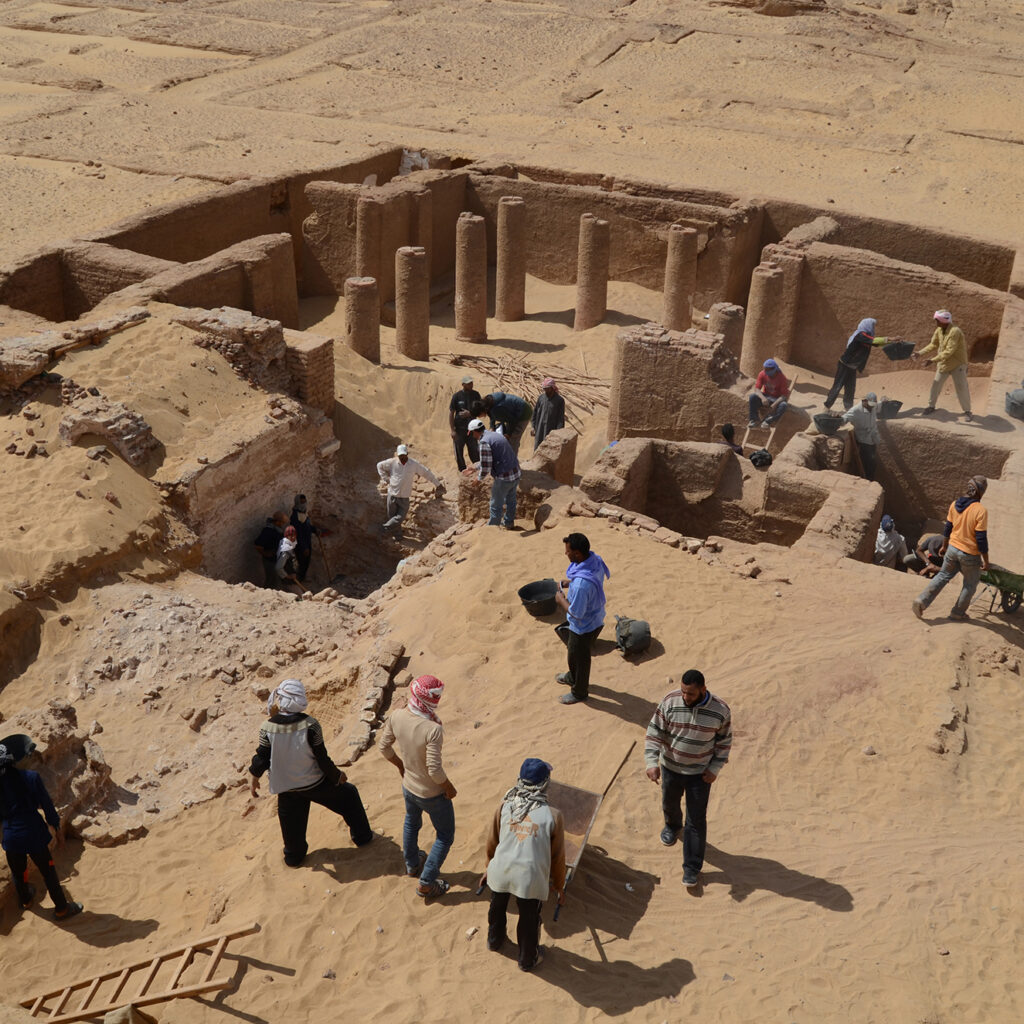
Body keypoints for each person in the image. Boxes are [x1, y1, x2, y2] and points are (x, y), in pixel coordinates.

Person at [248, 679, 373, 867]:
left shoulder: (267, 728)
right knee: (349, 796)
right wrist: (337, 775)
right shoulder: (311, 725)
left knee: (291, 827)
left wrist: (254, 776)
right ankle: (363, 838)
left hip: (286, 788)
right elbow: (321, 758)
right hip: (315, 783)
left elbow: (262, 757)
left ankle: (293, 857)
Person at [644, 669, 732, 888]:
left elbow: (724, 743)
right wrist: (651, 762)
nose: (685, 697)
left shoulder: (720, 711)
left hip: (699, 775)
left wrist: (715, 768)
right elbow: (654, 732)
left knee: (696, 820)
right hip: (670, 768)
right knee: (670, 803)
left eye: (690, 694)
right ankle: (672, 826)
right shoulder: (670, 701)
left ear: (703, 689)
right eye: (683, 692)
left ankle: (692, 868)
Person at [480, 758, 566, 973]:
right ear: (544, 784)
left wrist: (488, 869)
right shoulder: (553, 815)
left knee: (497, 906)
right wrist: (559, 884)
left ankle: (494, 940)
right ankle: (528, 959)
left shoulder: (505, 805)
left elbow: (493, 841)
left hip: (500, 870)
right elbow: (557, 857)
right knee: (529, 918)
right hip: (529, 878)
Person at [377, 676, 456, 899]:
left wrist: (401, 766)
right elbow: (435, 771)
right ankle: (427, 882)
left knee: (411, 822)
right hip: (432, 793)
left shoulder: (397, 716)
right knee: (445, 835)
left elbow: (384, 748)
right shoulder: (433, 729)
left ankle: (412, 864)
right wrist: (449, 787)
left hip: (408, 787)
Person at [1, 740, 83, 920]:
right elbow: (47, 806)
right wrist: (58, 830)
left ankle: (25, 900)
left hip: (11, 836)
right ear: (12, 760)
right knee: (48, 872)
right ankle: (62, 909)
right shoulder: (31, 777)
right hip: (34, 834)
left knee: (18, 871)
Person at [912, 475, 990, 621]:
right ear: (981, 492)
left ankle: (921, 601)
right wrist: (986, 561)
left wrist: (944, 546)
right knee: (970, 584)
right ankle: (957, 613)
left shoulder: (955, 504)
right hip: (969, 554)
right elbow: (981, 539)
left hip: (952, 549)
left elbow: (948, 528)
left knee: (942, 576)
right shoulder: (980, 511)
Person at [554, 533, 611, 706]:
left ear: (577, 553)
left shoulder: (580, 585)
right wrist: (570, 582)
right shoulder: (595, 559)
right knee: (574, 654)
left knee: (580, 658)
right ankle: (572, 677)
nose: (566, 554)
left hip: (583, 626)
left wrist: (560, 599)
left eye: (568, 551)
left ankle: (579, 692)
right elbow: (588, 578)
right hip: (596, 619)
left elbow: (575, 613)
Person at [823, 318, 895, 411]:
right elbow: (874, 341)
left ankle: (848, 409)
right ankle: (826, 407)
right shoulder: (861, 335)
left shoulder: (867, 338)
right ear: (867, 325)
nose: (873, 328)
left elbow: (877, 343)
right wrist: (890, 338)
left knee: (850, 389)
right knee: (838, 386)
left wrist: (892, 342)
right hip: (845, 365)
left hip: (852, 367)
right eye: (872, 326)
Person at [912, 310, 972, 421]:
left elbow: (949, 351)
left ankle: (967, 411)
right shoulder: (939, 330)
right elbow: (933, 344)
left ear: (944, 321)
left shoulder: (955, 331)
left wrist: (932, 360)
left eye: (937, 321)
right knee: (936, 386)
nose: (936, 323)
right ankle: (931, 406)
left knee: (961, 388)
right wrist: (919, 353)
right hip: (944, 363)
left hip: (957, 364)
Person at [463, 418, 521, 529]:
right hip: (515, 473)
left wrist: (478, 479)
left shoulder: (484, 442)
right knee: (511, 501)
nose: (472, 436)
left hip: (504, 477)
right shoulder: (494, 435)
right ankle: (509, 523)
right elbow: (491, 458)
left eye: (471, 433)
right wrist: (474, 467)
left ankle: (492, 529)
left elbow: (486, 466)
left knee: (495, 505)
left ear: (475, 431)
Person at [376, 444, 445, 537]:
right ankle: (397, 535)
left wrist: (438, 484)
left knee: (400, 517)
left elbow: (426, 472)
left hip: (404, 496)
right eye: (400, 456)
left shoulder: (413, 464)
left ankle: (384, 528)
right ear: (397, 455)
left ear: (407, 453)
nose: (402, 457)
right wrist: (386, 479)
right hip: (392, 494)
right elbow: (379, 465)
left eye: (404, 455)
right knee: (392, 517)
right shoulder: (392, 462)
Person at [842, 392, 881, 481]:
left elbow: (880, 405)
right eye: (870, 405)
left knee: (873, 463)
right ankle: (867, 480)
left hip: (873, 438)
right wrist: (837, 418)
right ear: (864, 401)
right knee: (868, 463)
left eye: (873, 405)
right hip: (863, 440)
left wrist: (884, 400)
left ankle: (870, 479)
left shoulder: (874, 405)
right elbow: (845, 418)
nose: (872, 408)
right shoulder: (856, 411)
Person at [449, 375, 482, 472]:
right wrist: (452, 430)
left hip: (472, 430)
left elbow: (480, 410)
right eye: (468, 383)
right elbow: (451, 413)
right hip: (459, 429)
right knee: (459, 452)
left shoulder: (476, 395)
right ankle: (462, 471)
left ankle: (478, 469)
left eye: (471, 383)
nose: (471, 385)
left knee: (474, 450)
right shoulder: (457, 396)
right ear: (463, 384)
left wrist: (470, 413)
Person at [747, 358, 791, 428]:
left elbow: (784, 396)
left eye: (767, 370)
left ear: (774, 369)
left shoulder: (782, 378)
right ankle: (754, 420)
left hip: (776, 399)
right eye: (765, 369)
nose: (765, 371)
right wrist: (763, 398)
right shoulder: (762, 374)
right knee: (752, 397)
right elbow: (757, 389)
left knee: (783, 405)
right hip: (766, 397)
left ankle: (768, 421)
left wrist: (775, 404)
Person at [289, 494, 320, 584]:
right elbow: (297, 533)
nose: (304, 504)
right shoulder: (295, 516)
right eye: (302, 502)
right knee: (301, 563)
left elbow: (307, 526)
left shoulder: (302, 513)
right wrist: (304, 547)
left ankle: (303, 579)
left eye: (304, 502)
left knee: (306, 562)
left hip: (307, 542)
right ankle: (299, 581)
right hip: (301, 544)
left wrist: (315, 530)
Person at [254, 512, 287, 589]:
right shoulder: (268, 531)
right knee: (271, 580)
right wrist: (266, 554)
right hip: (270, 561)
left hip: (277, 559)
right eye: (282, 523)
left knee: (276, 580)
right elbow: (258, 545)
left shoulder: (277, 529)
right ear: (277, 522)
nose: (283, 525)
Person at [530, 378, 566, 450]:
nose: (545, 390)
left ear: (552, 388)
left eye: (547, 389)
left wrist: (558, 433)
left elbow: (560, 418)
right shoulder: (541, 398)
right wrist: (533, 426)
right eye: (544, 389)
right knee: (538, 448)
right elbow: (535, 412)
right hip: (539, 428)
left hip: (551, 431)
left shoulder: (560, 400)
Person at [276, 525, 303, 593]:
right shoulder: (286, 550)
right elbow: (278, 567)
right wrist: (288, 576)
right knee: (300, 595)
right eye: (290, 535)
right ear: (286, 536)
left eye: (294, 535)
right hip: (288, 581)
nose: (293, 537)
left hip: (292, 579)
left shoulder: (287, 543)